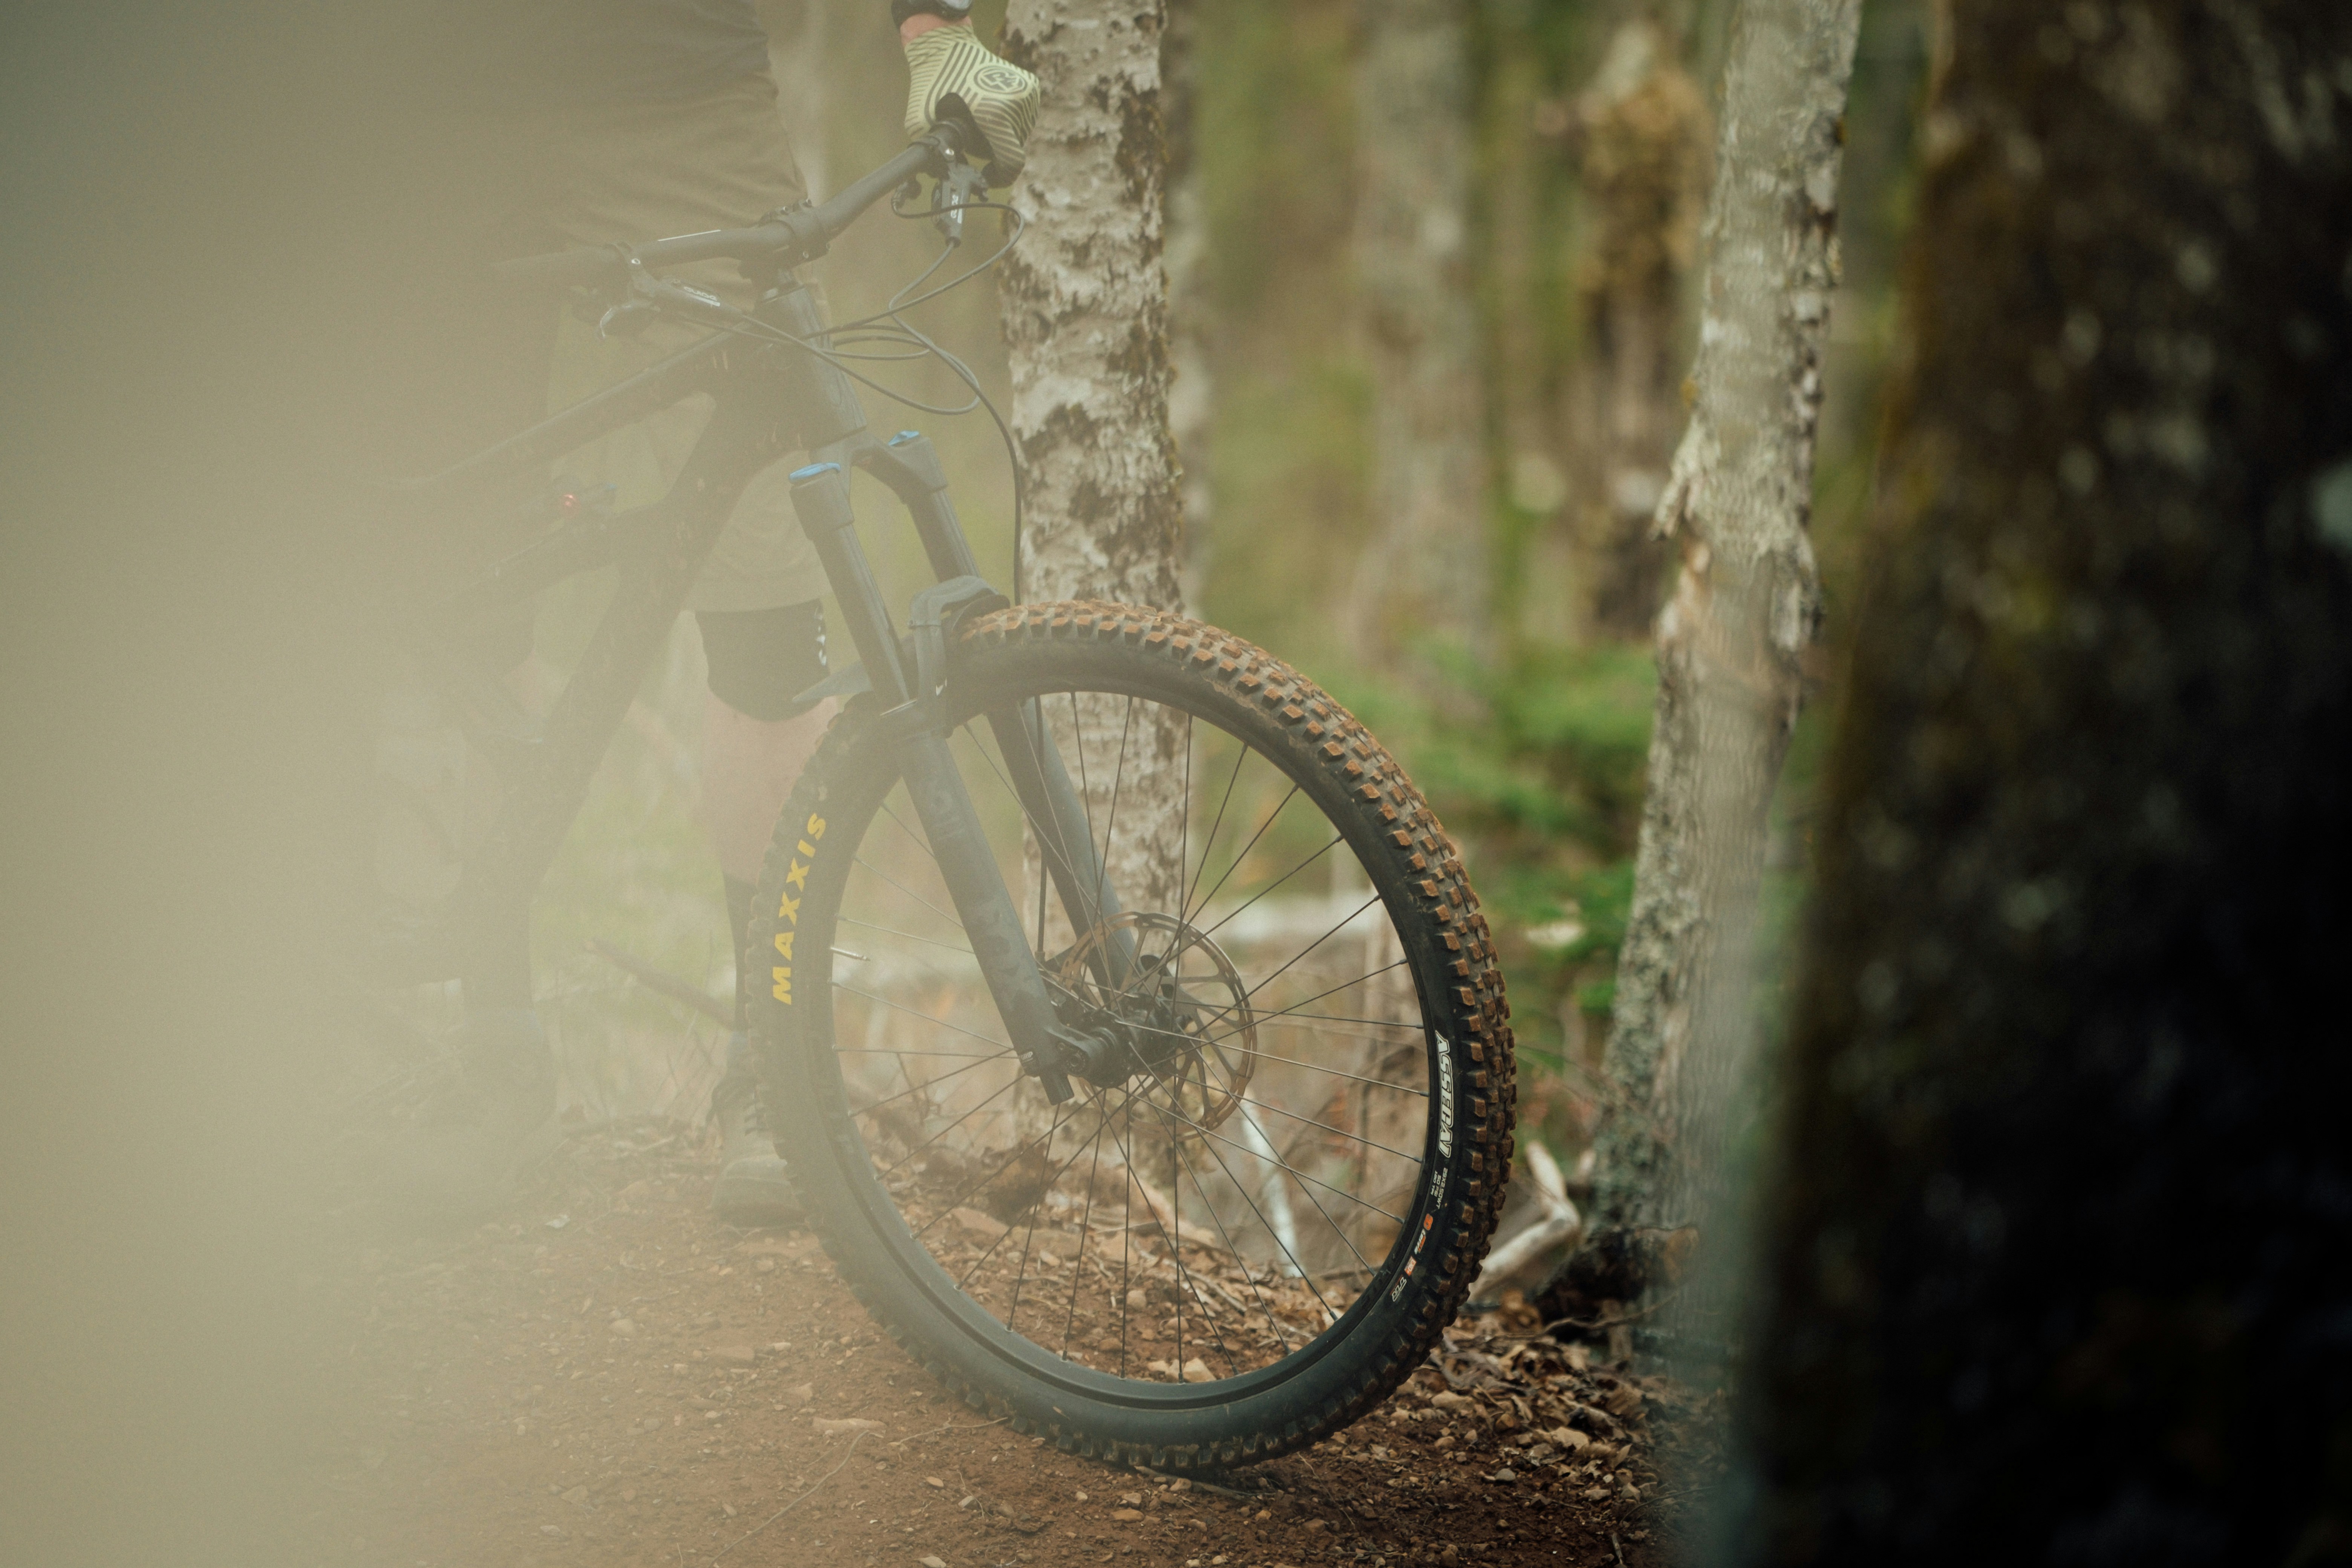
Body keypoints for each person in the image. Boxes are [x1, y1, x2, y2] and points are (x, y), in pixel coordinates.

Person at [386, 0, 1038, 1225]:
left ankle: (773, 1067)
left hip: (672, 88)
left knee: (767, 614)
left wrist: (938, 25)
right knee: (467, 603)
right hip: (418, 108)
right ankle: (497, 1052)